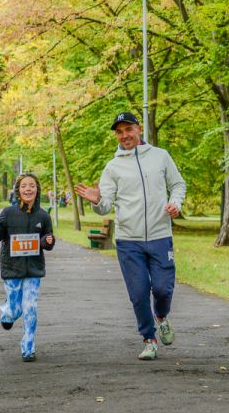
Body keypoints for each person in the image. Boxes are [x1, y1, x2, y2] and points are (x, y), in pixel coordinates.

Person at [74, 111, 186, 361]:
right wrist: (97, 200)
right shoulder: (112, 167)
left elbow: (178, 184)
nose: (124, 135)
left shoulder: (160, 157)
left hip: (159, 235)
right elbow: (104, 206)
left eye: (128, 129)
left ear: (138, 130)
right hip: (128, 241)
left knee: (162, 289)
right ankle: (149, 339)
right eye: (119, 131)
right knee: (138, 293)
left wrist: (175, 203)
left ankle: (161, 317)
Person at [0, 174, 55, 362]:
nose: (28, 189)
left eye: (32, 185)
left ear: (37, 189)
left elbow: (47, 240)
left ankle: (28, 347)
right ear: (18, 190)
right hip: (12, 268)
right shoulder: (8, 213)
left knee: (30, 307)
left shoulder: (43, 216)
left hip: (33, 270)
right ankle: (8, 311)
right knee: (15, 309)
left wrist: (48, 241)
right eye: (24, 186)